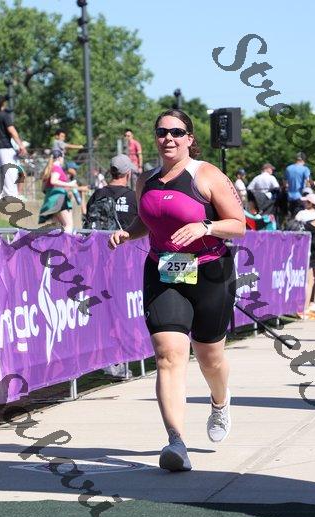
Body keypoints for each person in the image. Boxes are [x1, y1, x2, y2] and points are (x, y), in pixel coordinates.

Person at [109, 109, 245, 472]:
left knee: (210, 357)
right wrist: (128, 233)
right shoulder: (147, 179)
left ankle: (220, 402)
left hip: (210, 271)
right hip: (164, 270)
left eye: (176, 132)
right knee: (168, 354)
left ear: (189, 138)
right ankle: (176, 442)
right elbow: (146, 220)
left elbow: (239, 225)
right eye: (162, 132)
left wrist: (205, 227)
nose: (168, 138)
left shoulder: (207, 175)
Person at [85, 154, 139, 379]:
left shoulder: (97, 195)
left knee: (106, 310)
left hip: (99, 260)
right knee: (125, 310)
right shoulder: (133, 197)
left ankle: (109, 359)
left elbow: (87, 226)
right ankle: (122, 360)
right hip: (126, 263)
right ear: (128, 173)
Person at [0, 95, 27, 199]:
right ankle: (10, 195)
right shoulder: (4, 115)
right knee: (9, 171)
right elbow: (12, 131)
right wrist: (21, 145)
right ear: (3, 103)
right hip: (5, 147)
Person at [39, 149, 88, 233]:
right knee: (68, 225)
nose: (63, 160)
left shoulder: (49, 169)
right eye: (63, 157)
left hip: (50, 200)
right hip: (59, 199)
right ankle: (66, 242)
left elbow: (43, 188)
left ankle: (56, 242)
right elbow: (53, 181)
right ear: (59, 158)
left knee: (57, 227)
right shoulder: (57, 168)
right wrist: (69, 184)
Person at [284, 152, 311, 217]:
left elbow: (285, 183)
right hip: (300, 197)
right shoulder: (305, 169)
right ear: (303, 160)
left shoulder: (288, 168)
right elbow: (308, 182)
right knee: (300, 216)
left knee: (292, 216)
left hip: (290, 197)